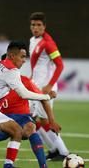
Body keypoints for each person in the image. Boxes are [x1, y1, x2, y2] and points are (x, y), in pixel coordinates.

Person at [28, 12, 69, 160]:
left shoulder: (48, 43)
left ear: (44, 26)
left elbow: (60, 65)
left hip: (46, 88)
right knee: (31, 120)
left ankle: (64, 152)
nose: (36, 28)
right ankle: (53, 149)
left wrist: (49, 85)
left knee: (44, 121)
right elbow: (37, 67)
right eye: (33, 25)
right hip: (35, 86)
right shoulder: (33, 40)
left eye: (39, 25)